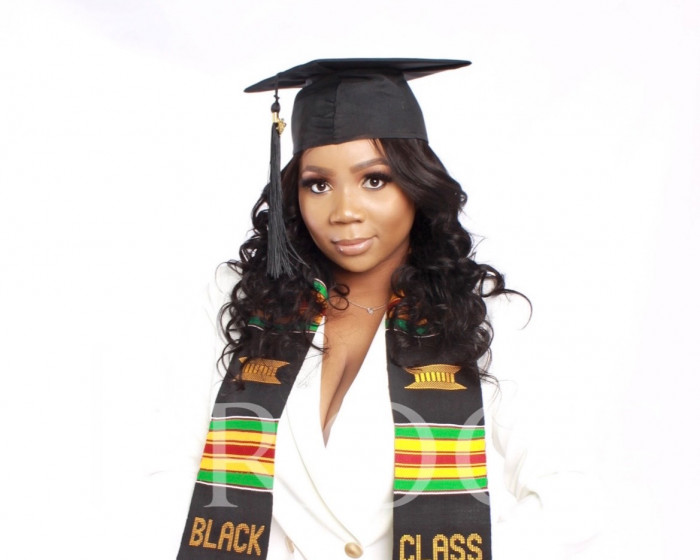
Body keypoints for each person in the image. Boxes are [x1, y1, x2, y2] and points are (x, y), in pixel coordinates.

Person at [175, 59, 594, 560]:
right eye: (318, 184)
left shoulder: (481, 315)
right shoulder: (247, 301)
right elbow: (170, 466)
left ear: (417, 184)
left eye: (373, 180)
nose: (344, 211)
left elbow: (570, 501)